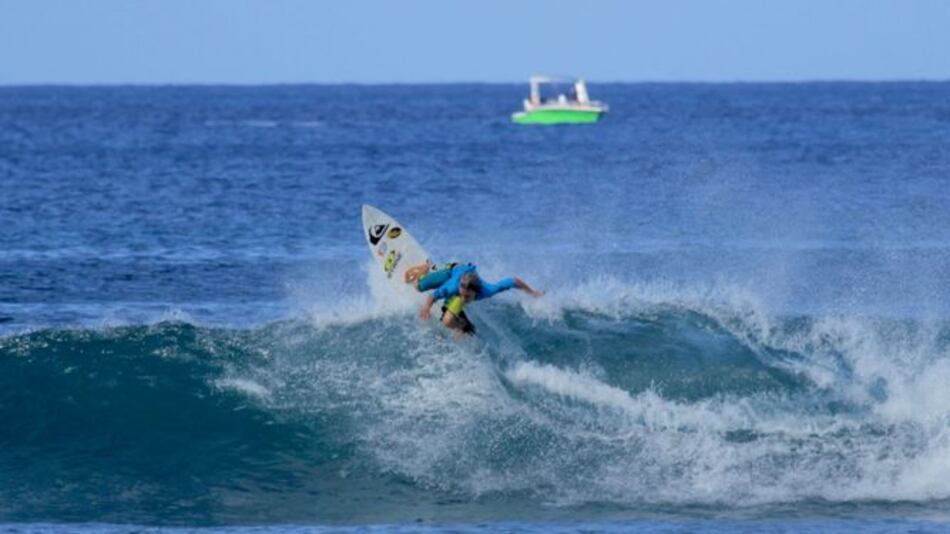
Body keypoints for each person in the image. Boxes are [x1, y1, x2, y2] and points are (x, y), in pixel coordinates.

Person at [404, 260, 543, 334]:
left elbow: (514, 281)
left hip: (467, 275)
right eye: (462, 295)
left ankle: (463, 326)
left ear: (476, 293)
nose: (463, 299)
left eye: (468, 297)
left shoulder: (487, 290)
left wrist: (532, 293)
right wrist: (426, 308)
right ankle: (425, 268)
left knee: (447, 321)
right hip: (452, 270)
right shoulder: (452, 288)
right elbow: (433, 296)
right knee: (417, 286)